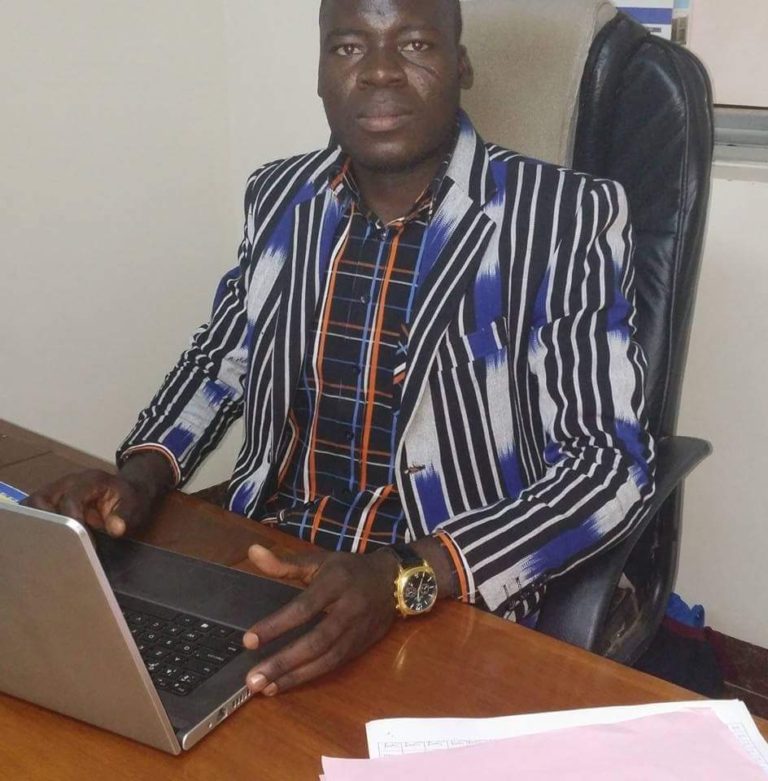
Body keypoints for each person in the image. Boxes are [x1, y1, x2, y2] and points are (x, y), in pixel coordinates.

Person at [25, 0, 655, 698]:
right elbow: (220, 360)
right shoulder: (280, 196)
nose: (380, 72)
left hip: (445, 591)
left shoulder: (563, 216)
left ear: (462, 65)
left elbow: (609, 467)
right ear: (322, 74)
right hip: (272, 560)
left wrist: (408, 573)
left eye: (414, 44)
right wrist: (140, 476)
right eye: (349, 48)